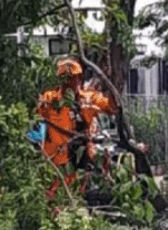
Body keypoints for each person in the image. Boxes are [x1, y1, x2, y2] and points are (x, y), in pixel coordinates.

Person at [36, 57, 116, 199]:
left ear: (79, 77)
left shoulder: (89, 98)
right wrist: (36, 145)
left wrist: (112, 82)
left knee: (80, 194)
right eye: (65, 78)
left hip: (83, 160)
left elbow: (111, 107)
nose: (69, 82)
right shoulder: (50, 99)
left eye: (73, 77)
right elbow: (36, 121)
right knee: (53, 194)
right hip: (56, 159)